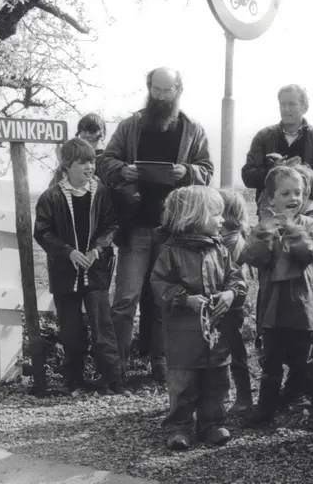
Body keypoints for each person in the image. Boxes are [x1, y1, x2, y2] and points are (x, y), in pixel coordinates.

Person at [100, 67, 214, 385]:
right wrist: (124, 171)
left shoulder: (193, 129)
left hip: (174, 230)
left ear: (179, 89)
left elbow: (207, 169)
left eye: (168, 90)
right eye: (157, 89)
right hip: (135, 227)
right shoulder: (131, 125)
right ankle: (116, 366)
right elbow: (105, 161)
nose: (162, 96)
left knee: (168, 299)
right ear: (148, 87)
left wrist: (187, 171)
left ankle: (161, 361)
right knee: (125, 299)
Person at [150, 186, 247, 450]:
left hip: (216, 334)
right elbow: (159, 284)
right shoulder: (170, 252)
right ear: (193, 217)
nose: (222, 220)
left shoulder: (220, 250)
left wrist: (230, 294)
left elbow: (237, 279)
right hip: (182, 335)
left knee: (217, 380)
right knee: (183, 383)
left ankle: (212, 423)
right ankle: (179, 427)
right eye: (216, 214)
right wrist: (183, 298)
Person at [240, 166, 313, 430]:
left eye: (298, 192)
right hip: (272, 305)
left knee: (307, 357)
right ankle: (266, 409)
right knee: (272, 357)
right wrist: (267, 230)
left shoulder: (310, 224)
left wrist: (291, 228)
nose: (293, 198)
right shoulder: (264, 226)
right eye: (285, 192)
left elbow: (306, 253)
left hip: (302, 303)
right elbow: (253, 257)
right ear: (270, 199)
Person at [34, 138, 122, 394]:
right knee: (71, 328)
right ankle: (75, 380)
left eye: (92, 161)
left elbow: (111, 225)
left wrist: (97, 249)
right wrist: (68, 253)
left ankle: (113, 380)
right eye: (83, 162)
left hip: (96, 271)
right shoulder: (51, 197)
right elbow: (43, 232)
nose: (89, 167)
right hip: (65, 274)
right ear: (66, 166)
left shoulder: (102, 193)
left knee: (102, 327)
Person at [241, 84, 313, 208]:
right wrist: (273, 171)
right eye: (282, 104)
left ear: (305, 108)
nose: (286, 109)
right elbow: (247, 176)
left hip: (308, 216)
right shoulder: (263, 136)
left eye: (292, 104)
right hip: (270, 215)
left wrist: (296, 171)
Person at [217, 189, 253, 416]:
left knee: (235, 350)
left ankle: (244, 397)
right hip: (227, 301)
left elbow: (227, 273)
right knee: (224, 348)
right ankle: (226, 393)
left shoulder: (232, 241)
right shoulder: (227, 238)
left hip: (233, 303)